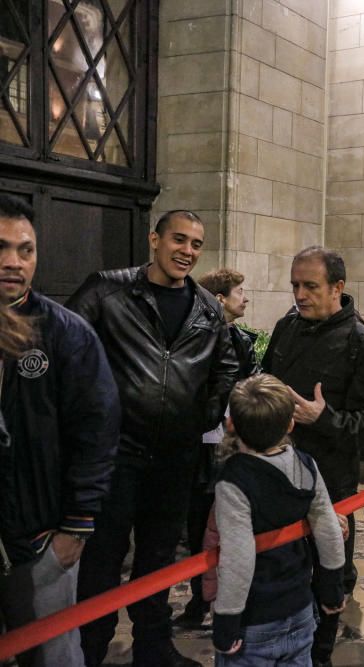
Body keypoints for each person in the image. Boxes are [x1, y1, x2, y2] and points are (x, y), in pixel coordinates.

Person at [68, 210, 239, 667]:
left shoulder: (207, 306)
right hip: (115, 454)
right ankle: (88, 650)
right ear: (154, 240)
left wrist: (198, 415)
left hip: (175, 458)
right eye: (179, 240)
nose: (187, 251)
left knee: (160, 558)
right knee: (102, 560)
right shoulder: (107, 288)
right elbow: (64, 348)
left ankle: (152, 647)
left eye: (196, 244)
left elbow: (225, 367)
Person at [0, 195, 119, 667]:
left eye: (25, 250)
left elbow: (97, 430)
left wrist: (77, 525)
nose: (13, 261)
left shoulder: (67, 333)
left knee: (51, 656)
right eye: (1, 247)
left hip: (39, 535)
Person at [261, 246, 364, 667]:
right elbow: (264, 382)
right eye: (296, 285)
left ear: (338, 287)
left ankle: (318, 654)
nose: (300, 294)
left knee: (329, 574)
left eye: (310, 286)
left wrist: (324, 417)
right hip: (275, 475)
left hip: (329, 485)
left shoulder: (361, 343)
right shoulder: (287, 327)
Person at [211, 374, 346, 666]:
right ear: (290, 424)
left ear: (231, 424)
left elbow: (239, 557)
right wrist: (332, 590)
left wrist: (227, 621)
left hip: (254, 621)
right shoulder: (306, 464)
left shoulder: (234, 480)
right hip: (300, 610)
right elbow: (328, 529)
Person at [175, 268, 261, 630]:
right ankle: (200, 601)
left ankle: (237, 603)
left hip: (234, 445)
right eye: (240, 291)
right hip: (201, 445)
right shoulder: (193, 337)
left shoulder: (242, 340)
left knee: (237, 528)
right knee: (200, 531)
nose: (246, 298)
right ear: (220, 299)